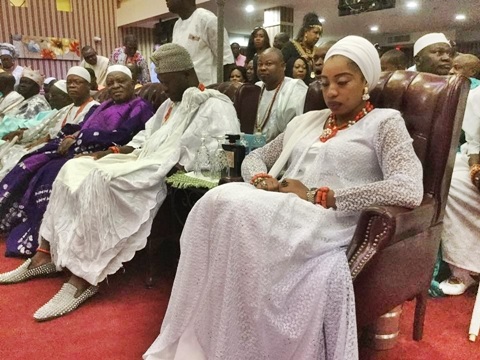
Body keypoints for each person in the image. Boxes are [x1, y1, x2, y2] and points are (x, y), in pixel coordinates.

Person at [143, 35, 424, 360]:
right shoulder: (308, 121)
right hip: (283, 204)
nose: (331, 92)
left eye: (342, 82)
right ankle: (224, 333)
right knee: (218, 200)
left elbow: (408, 188)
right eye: (325, 82)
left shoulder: (384, 123)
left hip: (330, 219)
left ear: (365, 81)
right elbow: (255, 157)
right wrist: (261, 179)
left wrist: (326, 196)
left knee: (233, 206)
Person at [0, 43, 240, 321]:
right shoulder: (169, 104)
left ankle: (84, 277)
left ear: (186, 74)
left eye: (166, 82)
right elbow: (144, 138)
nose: (163, 88)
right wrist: (114, 151)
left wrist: (173, 163)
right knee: (74, 168)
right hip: (142, 158)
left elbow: (219, 152)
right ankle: (46, 254)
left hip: (167, 169)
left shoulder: (214, 104)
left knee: (102, 179)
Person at [0, 65, 153, 258]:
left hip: (103, 152)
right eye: (111, 82)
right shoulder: (105, 105)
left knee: (51, 172)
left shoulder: (140, 106)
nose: (115, 86)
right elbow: (81, 126)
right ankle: (19, 222)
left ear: (132, 83)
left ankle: (44, 240)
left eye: (120, 82)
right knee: (31, 162)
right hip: (80, 146)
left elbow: (125, 134)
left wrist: (83, 136)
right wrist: (70, 135)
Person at [0, 67, 100, 180]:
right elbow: (48, 129)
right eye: (69, 82)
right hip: (51, 145)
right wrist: (35, 139)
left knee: (22, 159)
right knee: (11, 152)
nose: (72, 86)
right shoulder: (67, 108)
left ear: (88, 85)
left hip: (67, 149)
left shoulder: (95, 108)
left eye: (77, 82)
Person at [437, 53, 480, 296]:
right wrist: (476, 170)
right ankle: (463, 271)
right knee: (449, 180)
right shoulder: (477, 97)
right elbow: (474, 143)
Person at [168, 0, 234, 86]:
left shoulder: (207, 19)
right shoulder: (177, 25)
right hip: (185, 90)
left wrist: (220, 92)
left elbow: (227, 61)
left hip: (207, 89)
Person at [255, 47, 308, 142]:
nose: (262, 68)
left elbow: (294, 131)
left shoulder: (294, 89)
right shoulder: (256, 88)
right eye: (260, 64)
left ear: (283, 66)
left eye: (268, 64)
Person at [282, 12, 323, 81]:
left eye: (319, 34)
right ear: (306, 32)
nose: (318, 36)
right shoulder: (290, 47)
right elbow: (281, 67)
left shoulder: (317, 51)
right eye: (315, 33)